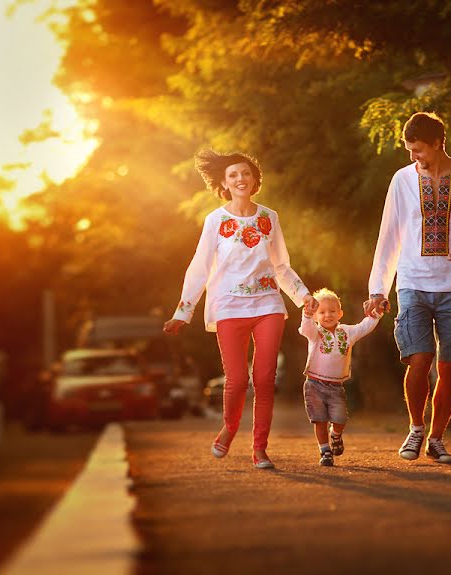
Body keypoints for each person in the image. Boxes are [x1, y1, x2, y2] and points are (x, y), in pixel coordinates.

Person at [163, 149, 318, 469]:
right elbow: (199, 268)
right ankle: (229, 428)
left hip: (267, 304)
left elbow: (280, 266)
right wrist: (183, 311)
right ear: (224, 183)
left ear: (254, 179)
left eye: (245, 173)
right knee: (236, 380)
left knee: (263, 378)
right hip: (228, 306)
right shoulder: (216, 220)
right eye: (233, 175)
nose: (240, 179)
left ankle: (260, 449)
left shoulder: (269, 217)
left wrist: (304, 296)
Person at [364, 112, 451, 464]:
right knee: (419, 358)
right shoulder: (401, 181)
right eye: (409, 150)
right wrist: (378, 288)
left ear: (439, 142)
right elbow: (389, 235)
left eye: (419, 150)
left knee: (450, 365)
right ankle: (415, 428)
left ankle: (437, 438)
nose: (413, 157)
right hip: (412, 281)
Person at [298, 288, 381, 466]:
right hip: (314, 384)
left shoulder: (347, 332)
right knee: (319, 419)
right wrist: (306, 315)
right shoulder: (315, 333)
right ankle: (325, 450)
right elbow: (305, 329)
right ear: (315, 316)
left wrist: (377, 313)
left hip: (336, 386)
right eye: (322, 312)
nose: (328, 315)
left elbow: (364, 327)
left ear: (340, 313)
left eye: (332, 311)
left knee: (340, 418)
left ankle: (335, 435)